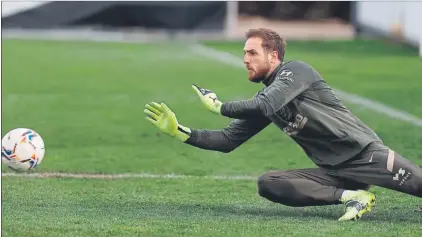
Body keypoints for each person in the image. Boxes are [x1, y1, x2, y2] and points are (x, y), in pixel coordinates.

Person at [143, 28, 422, 221]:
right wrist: (180, 132)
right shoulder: (267, 99)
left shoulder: (296, 71)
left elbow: (264, 105)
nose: (245, 60)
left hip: (365, 155)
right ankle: (353, 196)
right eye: (244, 53)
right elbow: (227, 141)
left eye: (252, 53)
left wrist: (219, 106)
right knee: (269, 183)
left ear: (273, 56)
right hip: (335, 171)